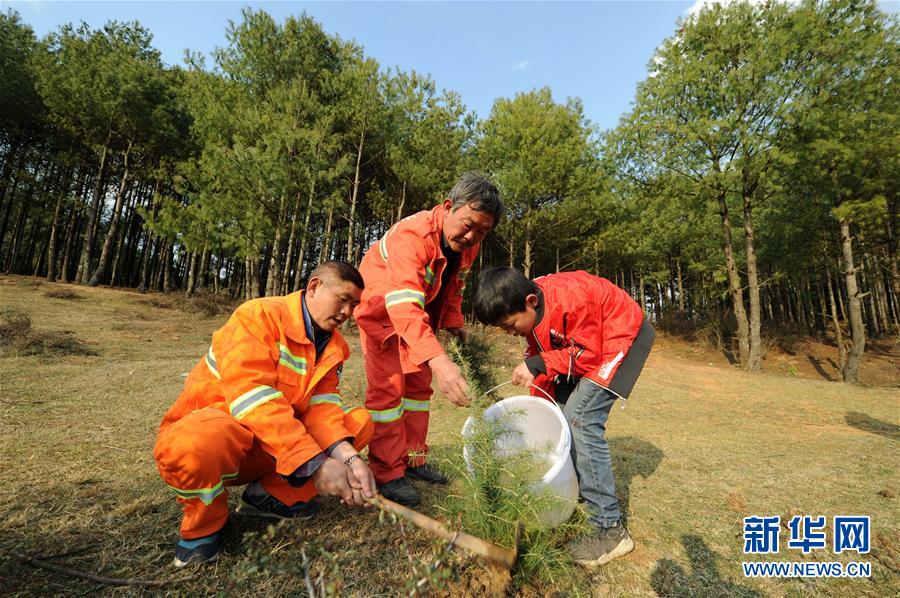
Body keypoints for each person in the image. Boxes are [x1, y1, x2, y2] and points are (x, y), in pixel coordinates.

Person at [154, 261, 375, 568]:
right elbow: (253, 399)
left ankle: (266, 496)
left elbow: (322, 409)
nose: (348, 313)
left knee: (357, 424)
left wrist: (350, 459)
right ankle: (204, 529)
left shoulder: (335, 345)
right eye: (343, 299)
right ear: (314, 287)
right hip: (224, 442)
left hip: (275, 448)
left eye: (354, 305)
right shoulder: (257, 316)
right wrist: (317, 466)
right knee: (197, 442)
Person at [473, 267, 655, 568]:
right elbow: (546, 361)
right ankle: (575, 497)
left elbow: (589, 355)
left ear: (531, 301)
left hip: (620, 337)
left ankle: (610, 530)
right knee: (559, 412)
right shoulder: (531, 311)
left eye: (510, 325)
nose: (510, 333)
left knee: (579, 420)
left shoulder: (572, 300)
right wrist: (540, 407)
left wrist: (537, 363)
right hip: (587, 346)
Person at [354, 173, 502, 507]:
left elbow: (454, 286)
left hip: (421, 317)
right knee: (389, 392)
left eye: (482, 231)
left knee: (419, 390)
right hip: (384, 314)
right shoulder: (413, 235)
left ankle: (413, 460)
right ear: (448, 207)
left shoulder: (468, 245)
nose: (471, 236)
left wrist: (453, 321)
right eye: (467, 225)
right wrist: (442, 362)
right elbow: (403, 305)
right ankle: (386, 472)